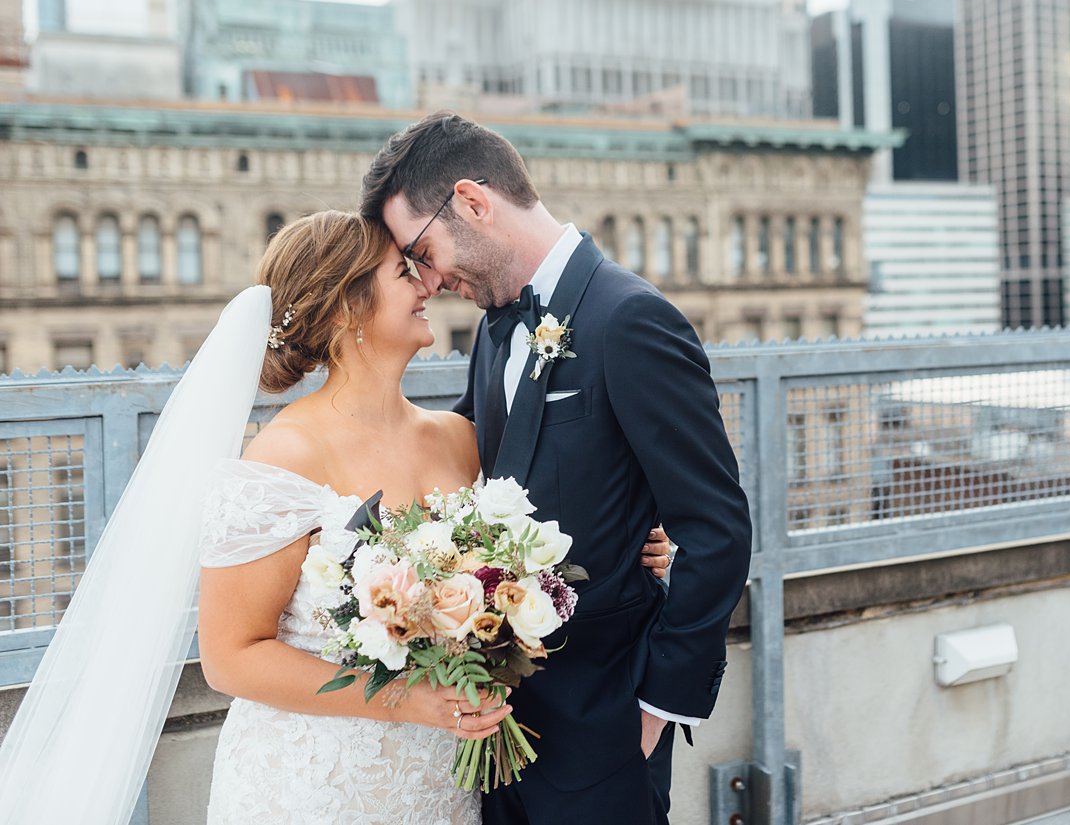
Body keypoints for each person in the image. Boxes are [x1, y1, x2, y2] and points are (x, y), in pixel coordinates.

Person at [0, 210, 672, 825]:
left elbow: (535, 534)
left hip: (442, 784)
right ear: (350, 305)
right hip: (314, 787)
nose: (428, 283)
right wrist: (409, 698)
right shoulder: (281, 458)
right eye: (404, 272)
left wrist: (651, 546)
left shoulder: (460, 438)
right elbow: (232, 658)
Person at [362, 111, 753, 825]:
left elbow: (718, 527)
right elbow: (469, 468)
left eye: (422, 250)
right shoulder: (491, 326)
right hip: (498, 722)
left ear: (473, 202)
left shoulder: (632, 319)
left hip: (605, 721)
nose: (428, 277)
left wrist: (652, 712)